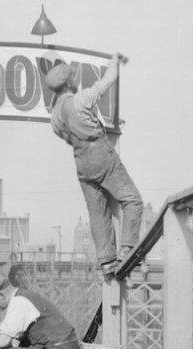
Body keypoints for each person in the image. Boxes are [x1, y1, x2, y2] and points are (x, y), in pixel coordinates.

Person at [45, 54, 143, 275]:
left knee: (98, 213)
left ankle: (107, 262)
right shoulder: (81, 99)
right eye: (73, 78)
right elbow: (107, 81)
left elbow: (66, 134)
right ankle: (128, 249)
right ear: (69, 83)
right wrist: (115, 62)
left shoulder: (54, 116)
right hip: (101, 155)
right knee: (132, 200)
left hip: (81, 163)